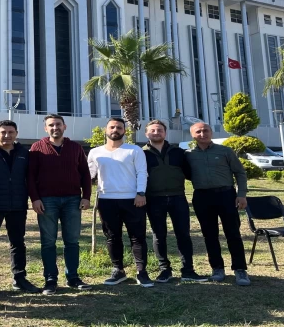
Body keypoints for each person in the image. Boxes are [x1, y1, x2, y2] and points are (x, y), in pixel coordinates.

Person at [28, 114, 93, 295]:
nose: (55, 127)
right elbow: (30, 176)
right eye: (51, 125)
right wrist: (35, 198)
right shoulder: (37, 148)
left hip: (73, 200)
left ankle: (73, 277)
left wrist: (86, 196)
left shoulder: (75, 147)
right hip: (46, 201)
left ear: (64, 127)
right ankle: (50, 279)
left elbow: (85, 174)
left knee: (72, 241)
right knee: (48, 242)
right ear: (45, 128)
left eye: (58, 124)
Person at [0, 120, 40, 299]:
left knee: (18, 243)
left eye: (11, 132)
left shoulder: (24, 153)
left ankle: (19, 278)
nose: (7, 135)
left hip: (18, 205)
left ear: (16, 134)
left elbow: (31, 178)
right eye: (3, 132)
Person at [88, 117, 153, 288]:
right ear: (106, 130)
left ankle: (141, 272)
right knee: (112, 237)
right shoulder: (95, 152)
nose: (115, 130)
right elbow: (89, 175)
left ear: (124, 130)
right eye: (112, 127)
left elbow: (142, 172)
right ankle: (118, 270)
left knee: (137, 237)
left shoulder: (134, 150)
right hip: (106, 200)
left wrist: (140, 193)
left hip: (133, 200)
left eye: (119, 127)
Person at [185, 122, 251, 286]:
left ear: (211, 132)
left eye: (205, 130)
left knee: (233, 233)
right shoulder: (188, 155)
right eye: (198, 132)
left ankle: (240, 269)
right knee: (209, 235)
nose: (202, 134)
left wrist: (241, 195)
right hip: (202, 197)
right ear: (192, 135)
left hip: (226, 195)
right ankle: (217, 268)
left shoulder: (225, 151)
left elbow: (240, 173)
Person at [142, 120, 207, 283]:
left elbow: (190, 173)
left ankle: (188, 270)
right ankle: (164, 270)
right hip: (153, 199)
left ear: (165, 133)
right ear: (146, 134)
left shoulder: (179, 152)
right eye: (152, 130)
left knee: (183, 234)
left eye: (159, 130)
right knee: (159, 235)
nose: (156, 133)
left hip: (178, 197)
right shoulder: (141, 154)